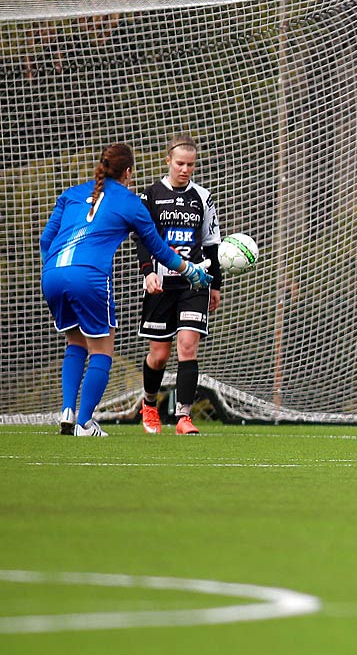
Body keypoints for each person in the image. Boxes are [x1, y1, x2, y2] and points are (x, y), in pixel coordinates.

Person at [41, 143, 212, 437]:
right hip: (89, 276)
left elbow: (46, 240)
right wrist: (189, 270)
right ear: (128, 172)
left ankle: (67, 411)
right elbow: (158, 248)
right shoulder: (131, 202)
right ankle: (85, 422)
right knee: (102, 349)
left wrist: (56, 272)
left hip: (52, 274)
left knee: (75, 344)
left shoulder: (71, 194)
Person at [135, 135, 224, 435]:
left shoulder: (203, 197)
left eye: (191, 165)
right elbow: (144, 240)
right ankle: (149, 404)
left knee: (188, 347)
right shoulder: (150, 196)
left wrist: (215, 285)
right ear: (168, 160)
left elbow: (212, 244)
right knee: (159, 355)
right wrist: (148, 272)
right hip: (161, 284)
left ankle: (184, 417)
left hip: (194, 283)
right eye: (180, 163)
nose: (185, 169)